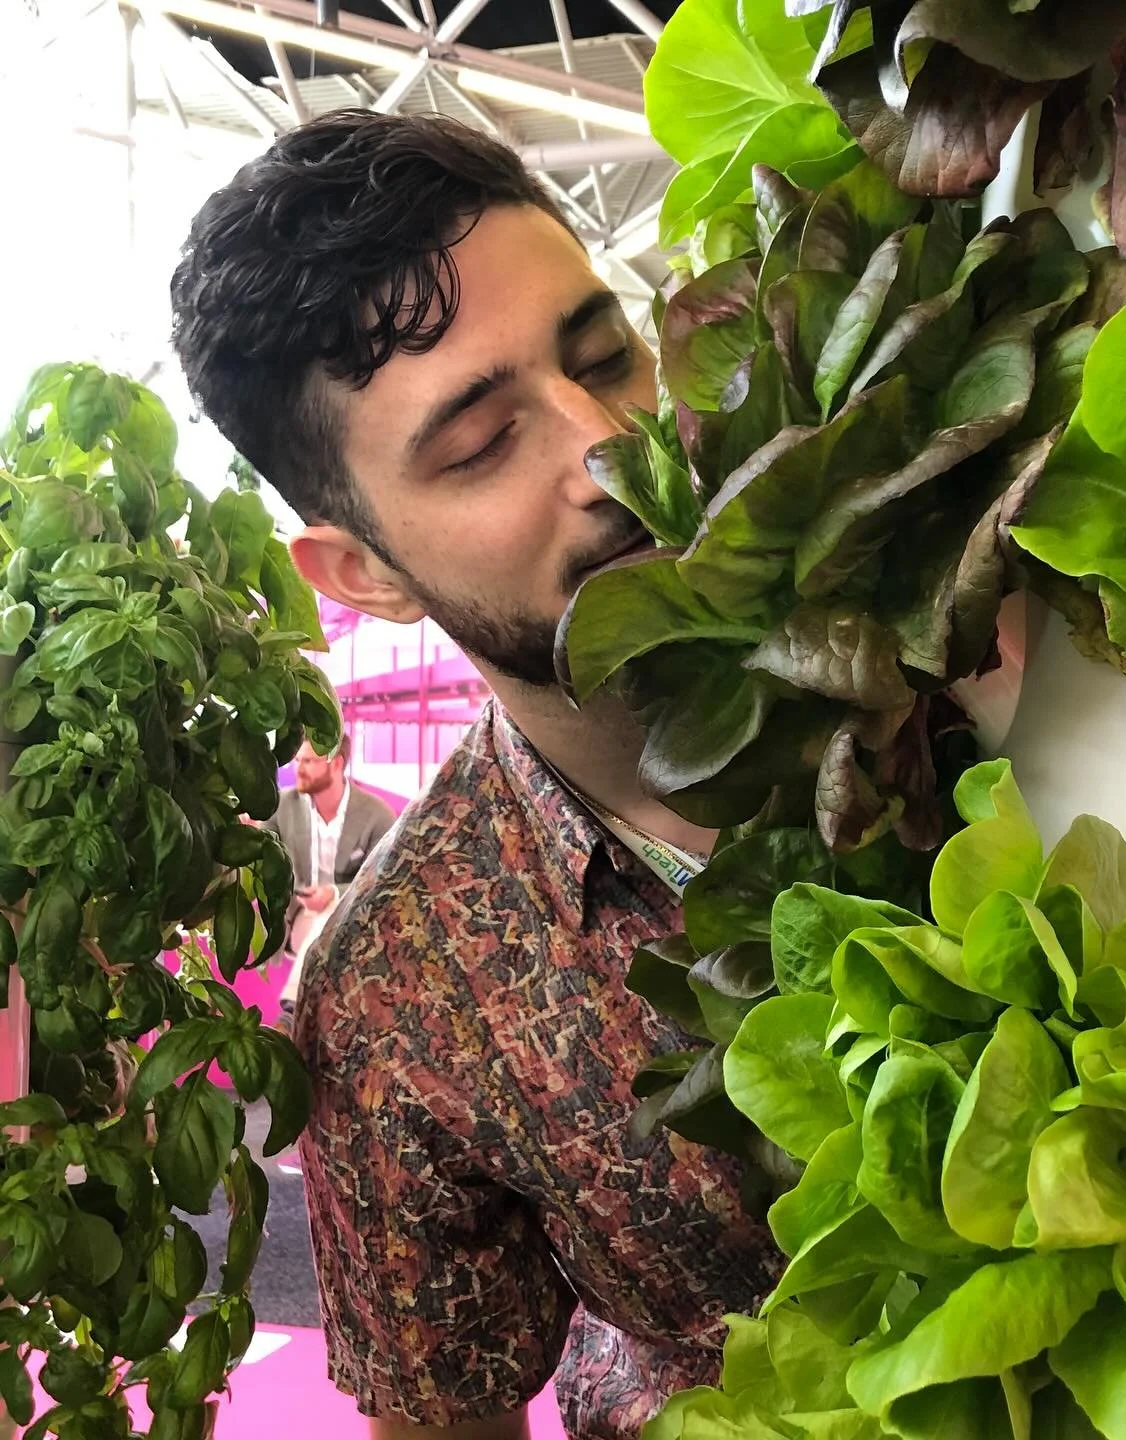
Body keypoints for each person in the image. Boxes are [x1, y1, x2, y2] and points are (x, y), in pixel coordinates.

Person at [170, 111, 781, 1440]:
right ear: (364, 572)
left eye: (605, 354)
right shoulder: (400, 997)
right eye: (479, 443)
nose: (608, 448)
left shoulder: (980, 645)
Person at [263, 733, 397, 1024]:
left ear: (336, 764)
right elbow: (259, 853)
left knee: (331, 918)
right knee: (323, 928)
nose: (298, 769)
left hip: (354, 921)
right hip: (298, 917)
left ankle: (292, 1011)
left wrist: (334, 894)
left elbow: (386, 882)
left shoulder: (377, 816)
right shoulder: (280, 806)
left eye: (309, 761)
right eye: (298, 760)